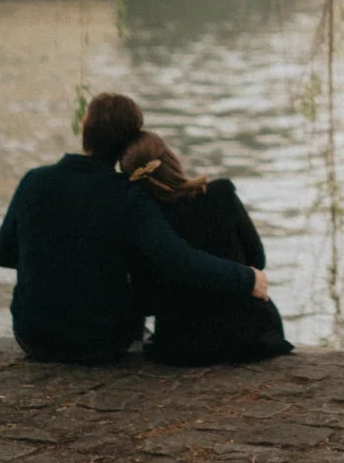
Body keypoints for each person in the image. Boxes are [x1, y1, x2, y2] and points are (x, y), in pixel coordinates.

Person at [0, 92, 270, 364]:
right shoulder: (128, 197)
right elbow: (178, 259)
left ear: (84, 127)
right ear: (129, 141)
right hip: (100, 341)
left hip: (34, 336)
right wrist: (246, 278)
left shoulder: (33, 181)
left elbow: (4, 254)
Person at [119, 131, 293, 365]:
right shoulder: (221, 194)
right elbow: (257, 259)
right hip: (252, 332)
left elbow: (147, 300)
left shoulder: (147, 226)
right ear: (172, 159)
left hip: (183, 344)